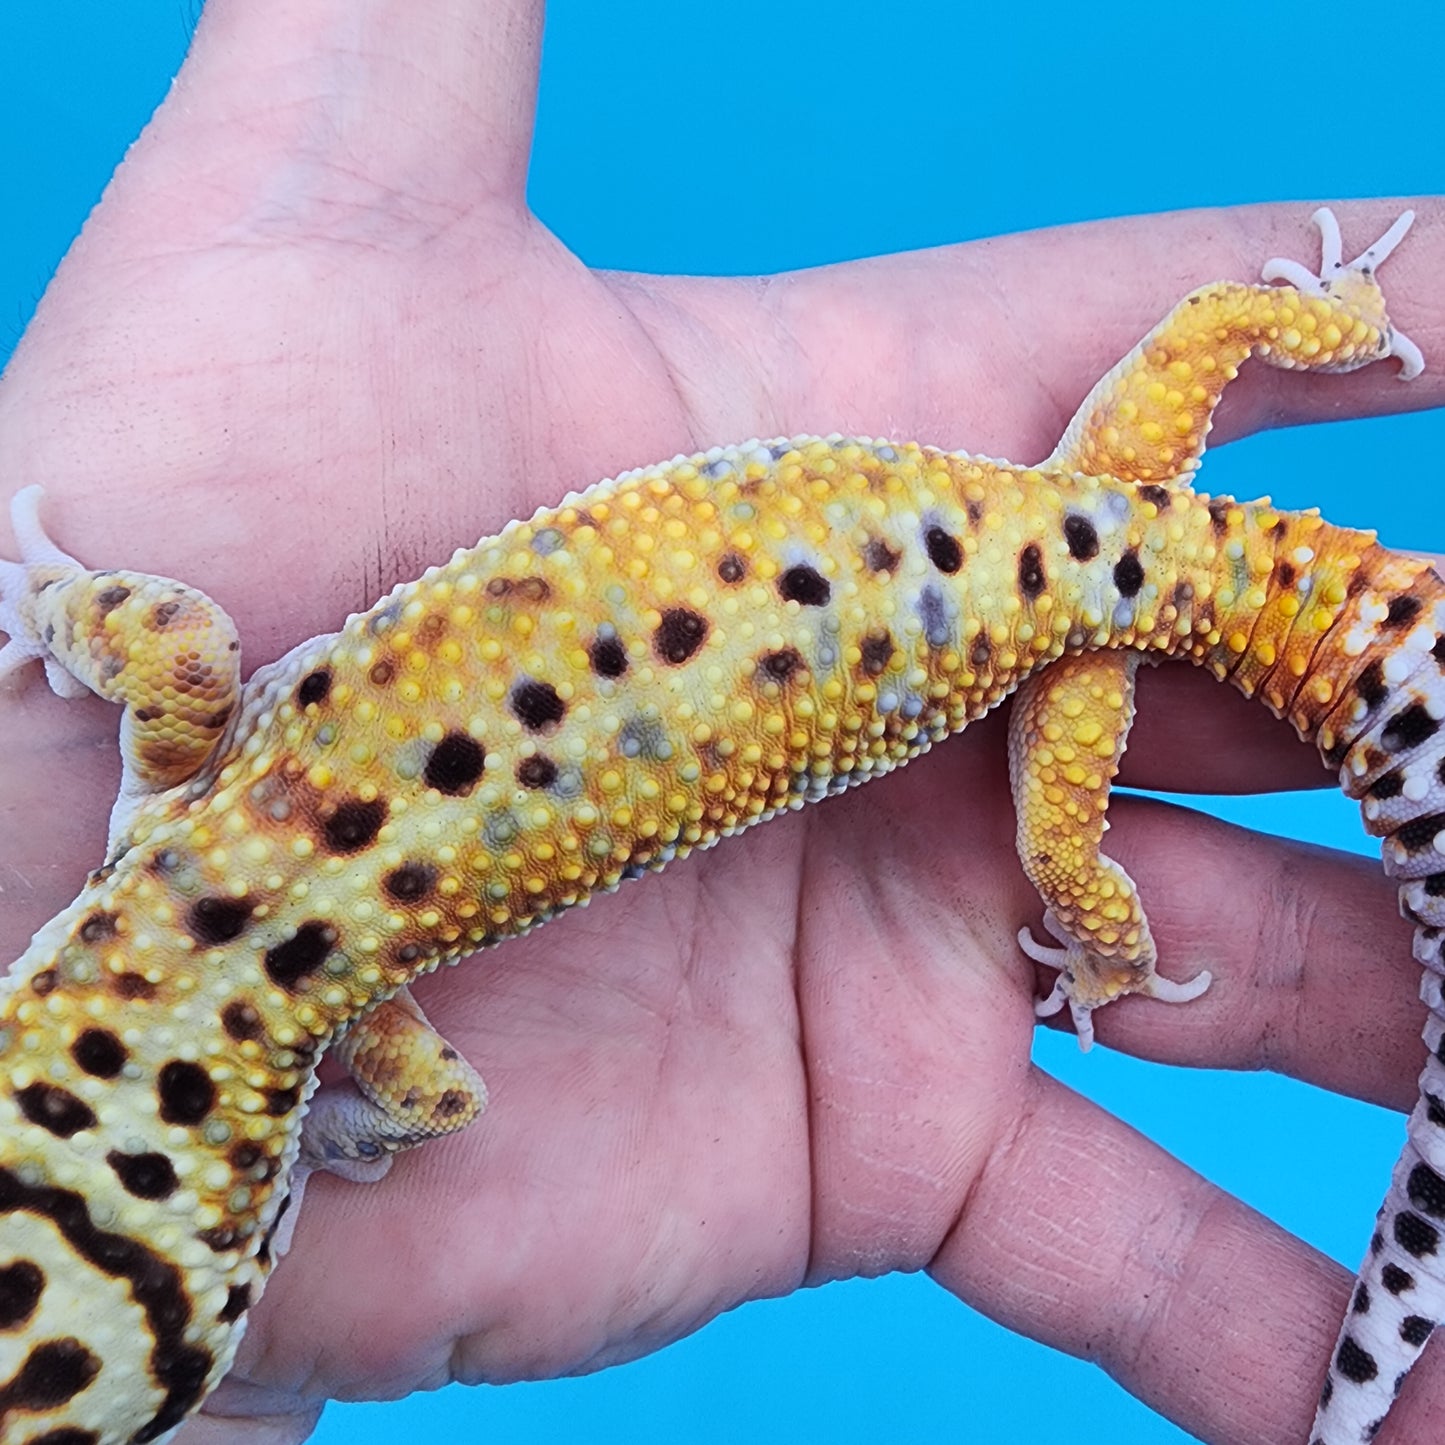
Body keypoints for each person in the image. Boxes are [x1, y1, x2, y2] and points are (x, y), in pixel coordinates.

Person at [1, 2, 1441, 1440]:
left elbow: (426, 1102)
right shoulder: (194, 795)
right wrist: (55, 608)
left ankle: (1111, 940)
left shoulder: (358, 1028)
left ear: (252, 1225)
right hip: (1062, 546)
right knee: (1207, 356)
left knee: (1067, 866)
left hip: (1066, 596)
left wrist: (333, 1133)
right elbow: (173, 643)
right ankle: (1340, 320)